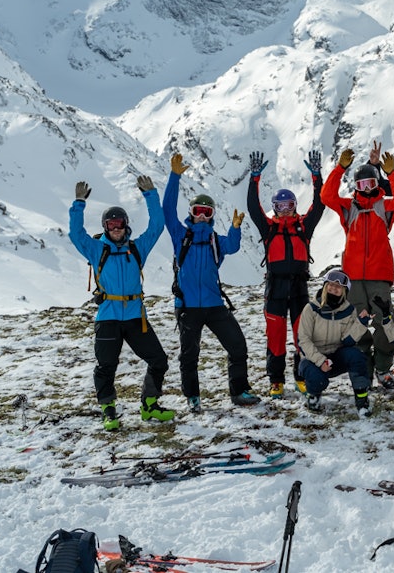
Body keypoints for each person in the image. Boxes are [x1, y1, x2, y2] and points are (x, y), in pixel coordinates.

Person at [69, 174, 169, 431]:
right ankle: (108, 411)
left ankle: (149, 406)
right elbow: (75, 233)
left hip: (136, 316)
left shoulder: (137, 248)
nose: (116, 227)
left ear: (126, 224)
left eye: (120, 223)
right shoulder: (96, 249)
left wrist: (151, 195)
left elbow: (158, 225)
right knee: (106, 366)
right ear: (104, 227)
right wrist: (78, 203)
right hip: (108, 317)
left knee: (159, 360)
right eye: (111, 224)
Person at [164, 153, 260, 412]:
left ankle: (239, 391)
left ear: (212, 215)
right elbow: (167, 210)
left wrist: (236, 228)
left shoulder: (216, 240)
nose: (203, 216)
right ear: (191, 214)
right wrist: (174, 177)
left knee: (237, 345)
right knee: (189, 355)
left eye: (207, 212)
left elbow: (233, 246)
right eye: (198, 211)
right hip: (188, 306)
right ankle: (192, 397)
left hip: (214, 304)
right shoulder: (179, 235)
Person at [320, 141, 394, 389]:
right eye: (361, 185)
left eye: (370, 184)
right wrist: (340, 168)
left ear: (376, 184)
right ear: (356, 187)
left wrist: (391, 175)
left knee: (385, 325)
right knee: (357, 327)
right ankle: (364, 372)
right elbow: (326, 196)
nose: (366, 189)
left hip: (379, 277)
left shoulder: (384, 206)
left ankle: (382, 369)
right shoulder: (349, 207)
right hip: (353, 280)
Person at [246, 148, 326, 398]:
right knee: (276, 335)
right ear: (274, 208)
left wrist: (316, 176)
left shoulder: (304, 226)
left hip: (299, 287)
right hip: (276, 287)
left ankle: (301, 376)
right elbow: (252, 207)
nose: (284, 209)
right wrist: (254, 178)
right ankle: (276, 380)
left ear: (294, 206)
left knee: (303, 334)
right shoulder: (268, 228)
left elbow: (320, 204)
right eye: (279, 206)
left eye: (289, 205)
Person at [296, 269, 394, 417]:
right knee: (317, 379)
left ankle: (362, 400)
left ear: (344, 291)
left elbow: (348, 341)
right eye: (330, 285)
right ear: (325, 286)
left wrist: (361, 323)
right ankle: (314, 395)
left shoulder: (349, 310)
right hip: (313, 359)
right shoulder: (311, 309)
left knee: (356, 355)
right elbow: (303, 341)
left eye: (338, 287)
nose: (334, 288)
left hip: (336, 356)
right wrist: (321, 361)